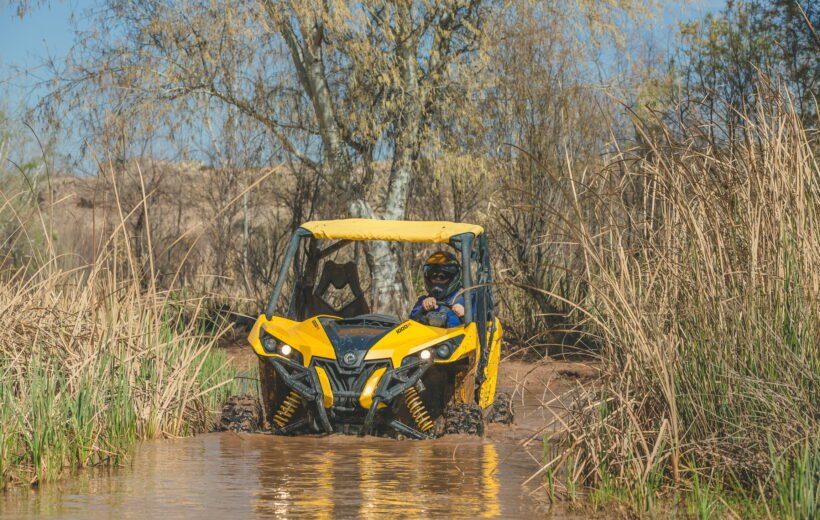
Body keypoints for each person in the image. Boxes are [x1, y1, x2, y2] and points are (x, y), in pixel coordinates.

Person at [409, 251, 465, 327]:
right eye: (433, 275)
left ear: (453, 277)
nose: (438, 279)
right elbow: (411, 324)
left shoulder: (466, 299)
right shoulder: (423, 301)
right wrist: (423, 309)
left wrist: (465, 315)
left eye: (443, 276)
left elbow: (480, 327)